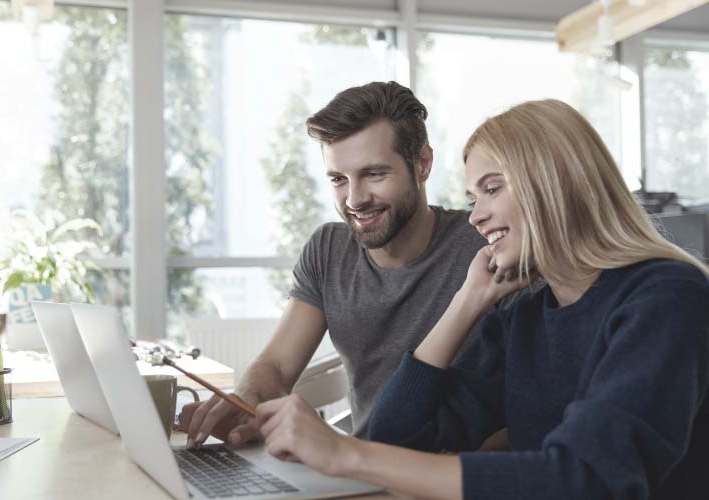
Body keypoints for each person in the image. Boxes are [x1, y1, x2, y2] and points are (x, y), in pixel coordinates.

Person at [253, 99, 709, 500]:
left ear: (554, 182)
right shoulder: (525, 314)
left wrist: (346, 454)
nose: (477, 216)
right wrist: (467, 301)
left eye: (492, 189)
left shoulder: (666, 298)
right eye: (473, 197)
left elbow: (584, 480)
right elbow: (399, 436)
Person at [181, 81, 486, 447]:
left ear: (422, 164)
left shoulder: (482, 246)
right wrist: (247, 399)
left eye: (374, 174)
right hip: (354, 471)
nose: (354, 199)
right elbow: (276, 366)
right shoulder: (329, 249)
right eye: (339, 179)